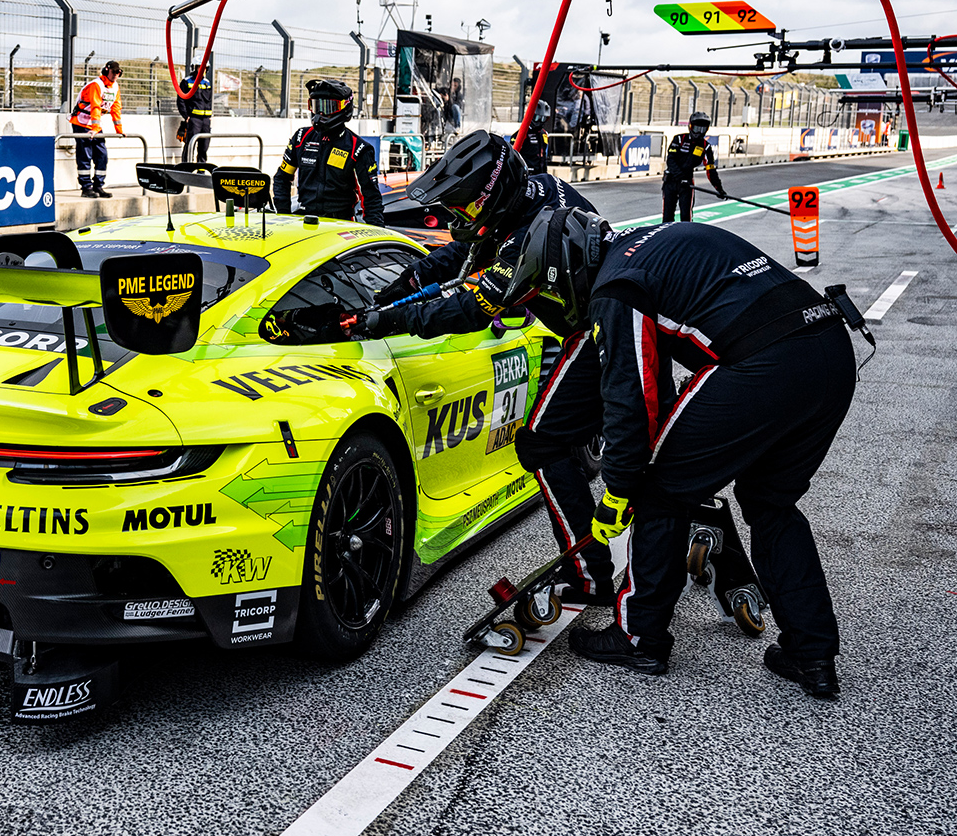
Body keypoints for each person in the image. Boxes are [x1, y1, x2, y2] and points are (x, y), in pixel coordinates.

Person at [504, 209, 856, 697]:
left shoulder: (615, 285)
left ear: (569, 267)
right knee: (770, 503)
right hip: (831, 351)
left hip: (764, 362)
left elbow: (633, 398)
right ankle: (811, 652)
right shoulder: (651, 241)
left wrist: (620, 492)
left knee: (658, 489)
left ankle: (639, 636)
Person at [352, 130, 612, 602]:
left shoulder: (532, 222)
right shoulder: (524, 193)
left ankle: (594, 576)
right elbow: (454, 257)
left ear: (489, 197)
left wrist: (383, 320)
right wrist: (394, 288)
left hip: (606, 328)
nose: (457, 218)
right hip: (600, 323)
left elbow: (470, 308)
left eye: (464, 207)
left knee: (556, 445)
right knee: (631, 448)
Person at [272, 78, 384, 224]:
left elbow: (371, 197)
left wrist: (374, 239)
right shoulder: (301, 138)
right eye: (316, 106)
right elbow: (281, 178)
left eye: (328, 107)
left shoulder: (359, 148)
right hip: (305, 222)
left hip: (340, 224)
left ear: (345, 108)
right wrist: (284, 217)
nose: (320, 113)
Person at [71, 60, 123, 198]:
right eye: (114, 72)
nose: (116, 75)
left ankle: (98, 186)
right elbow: (95, 106)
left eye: (118, 73)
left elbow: (116, 108)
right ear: (107, 71)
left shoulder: (115, 87)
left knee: (102, 155)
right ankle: (86, 187)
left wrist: (119, 130)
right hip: (82, 123)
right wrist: (94, 128)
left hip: (95, 125)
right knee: (85, 155)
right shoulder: (96, 85)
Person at [662, 111, 726, 221]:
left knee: (686, 216)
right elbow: (670, 160)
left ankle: (686, 237)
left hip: (687, 185)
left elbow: (710, 170)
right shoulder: (679, 139)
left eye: (703, 129)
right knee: (667, 216)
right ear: (691, 127)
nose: (699, 133)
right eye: (697, 129)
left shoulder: (706, 147)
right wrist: (679, 176)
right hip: (671, 182)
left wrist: (719, 189)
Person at [176, 66, 213, 162]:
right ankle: (186, 168)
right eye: (200, 68)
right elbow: (181, 100)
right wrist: (186, 116)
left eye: (205, 68)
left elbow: (208, 101)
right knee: (190, 145)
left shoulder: (207, 82)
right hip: (194, 119)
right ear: (195, 68)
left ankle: (201, 171)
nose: (203, 70)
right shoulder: (187, 81)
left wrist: (209, 117)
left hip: (205, 120)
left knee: (204, 146)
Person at [521, 103, 552, 174]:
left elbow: (543, 155)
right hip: (526, 173)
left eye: (544, 118)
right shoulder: (522, 133)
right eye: (538, 118)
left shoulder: (544, 134)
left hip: (540, 173)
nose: (540, 121)